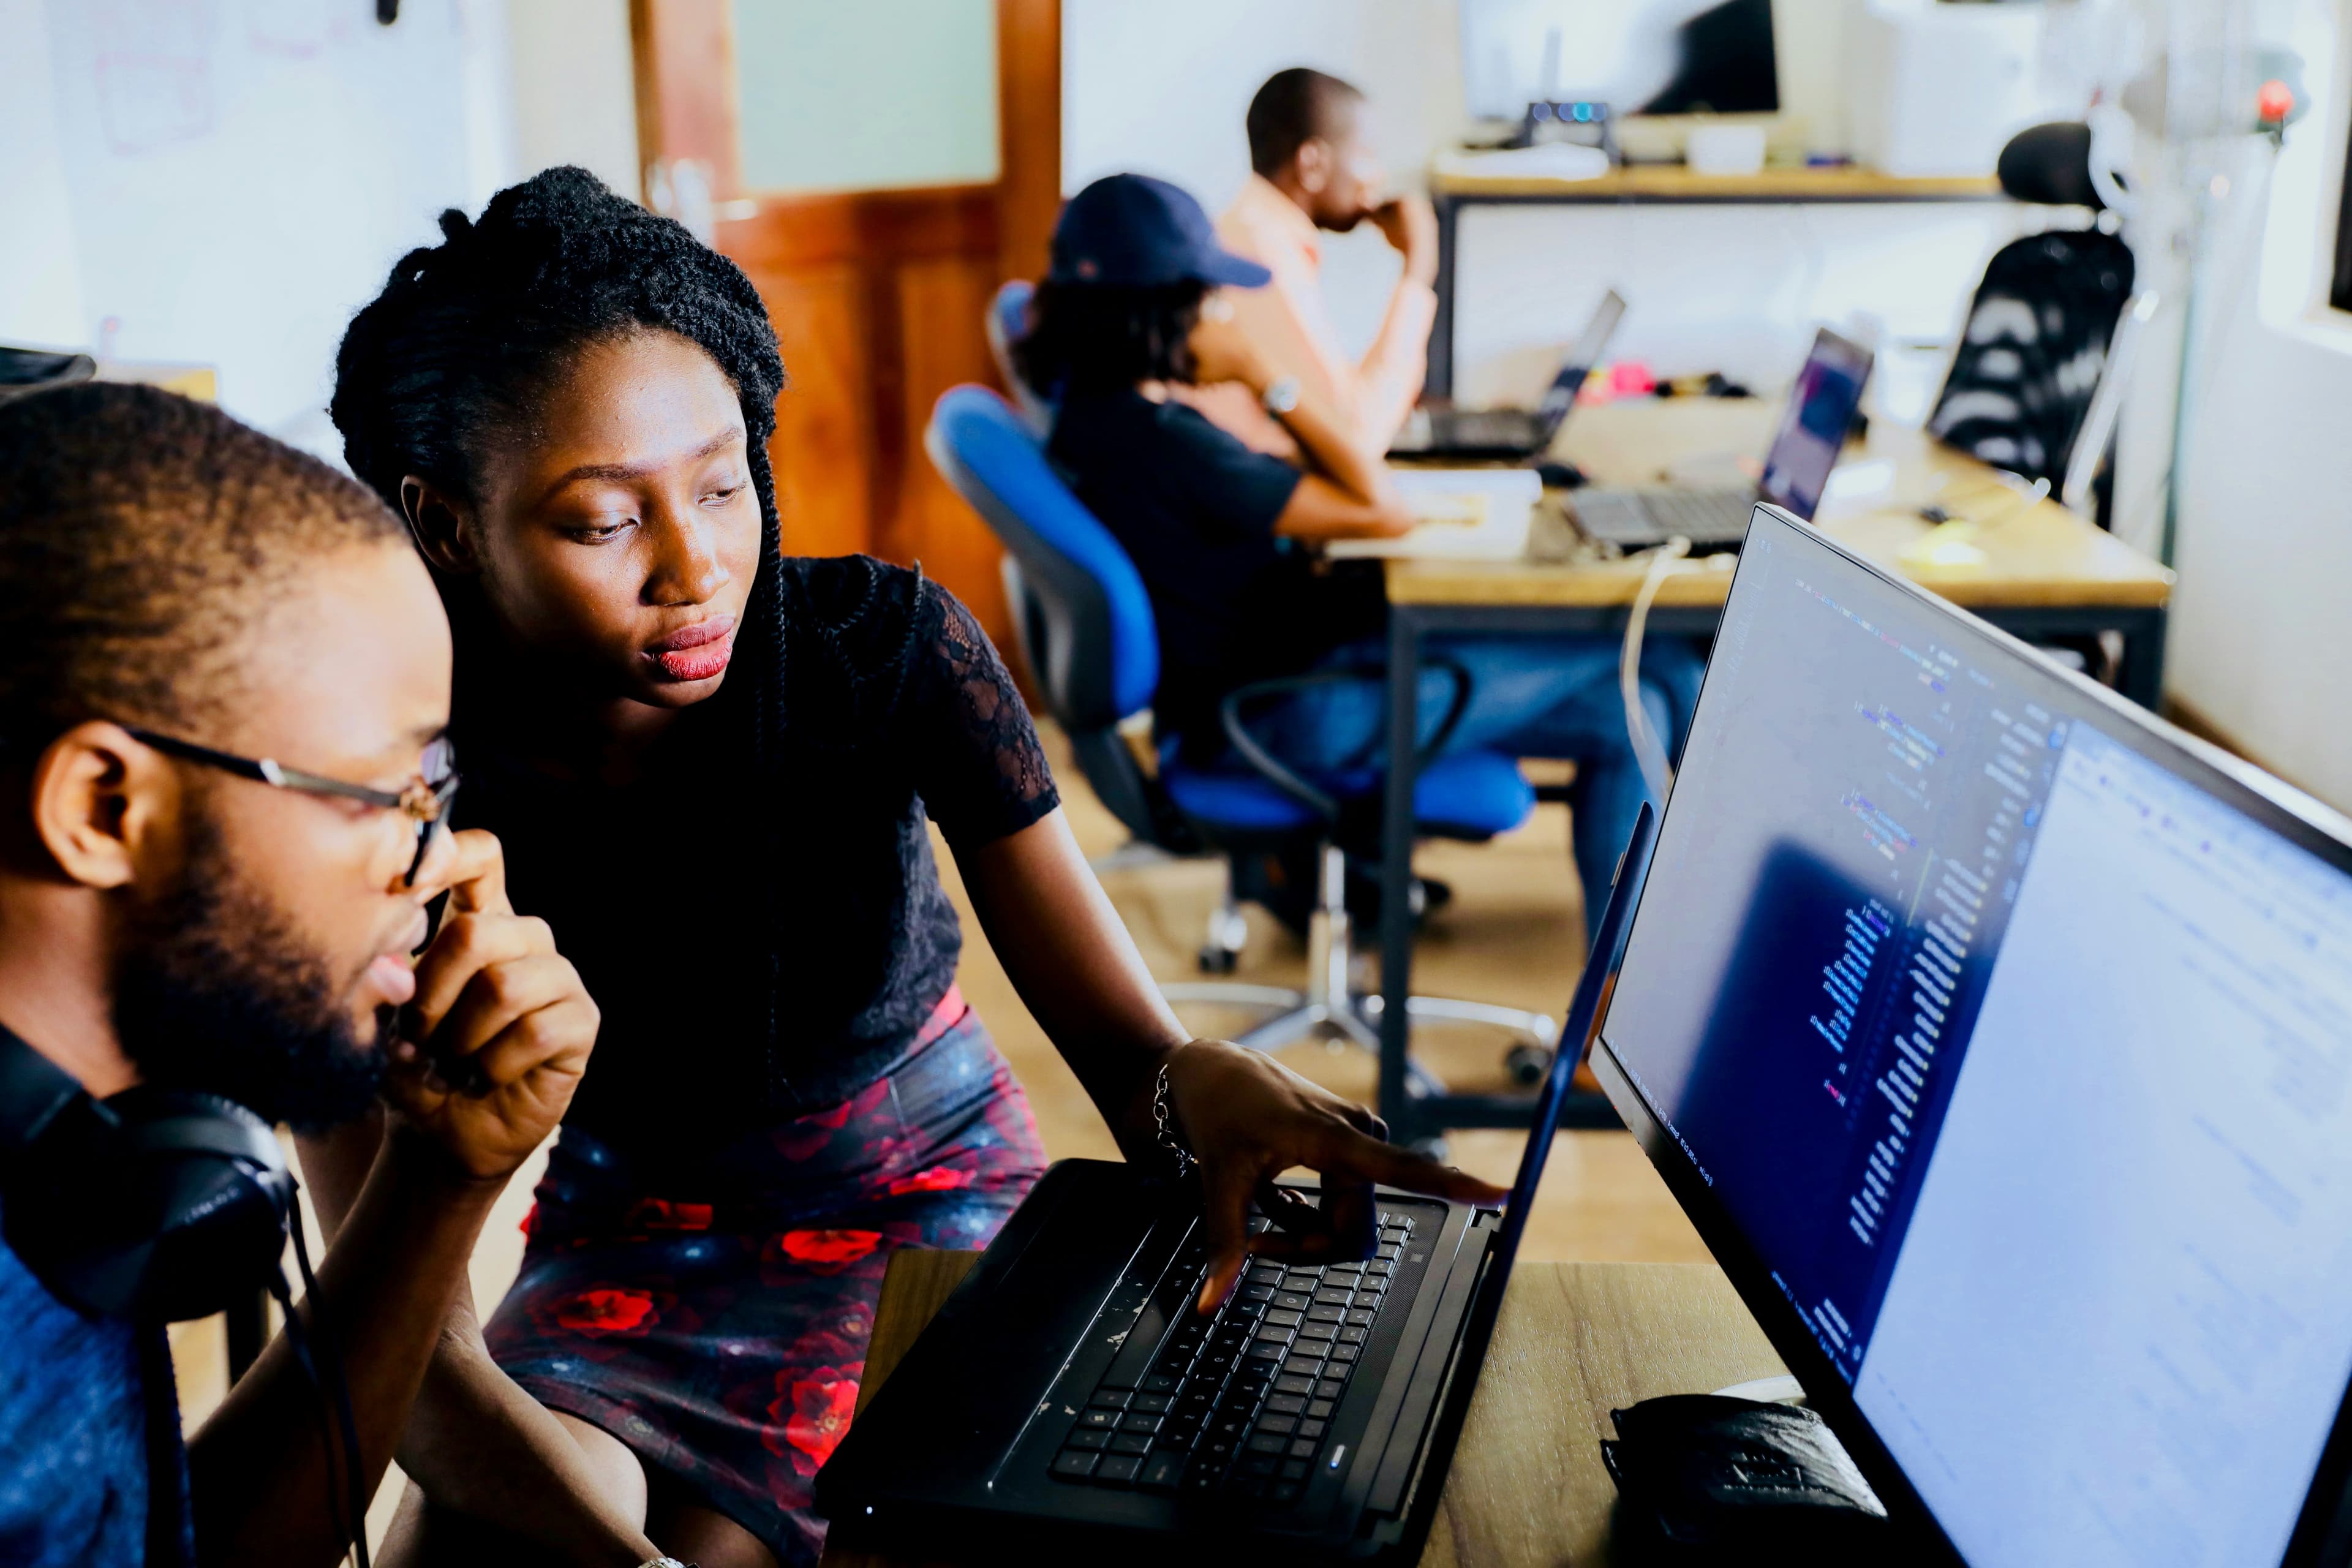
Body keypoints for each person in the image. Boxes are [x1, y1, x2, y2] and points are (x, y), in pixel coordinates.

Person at [317, 166, 1504, 1568]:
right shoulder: (383, 794)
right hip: (630, 1247)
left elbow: (1132, 1055)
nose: (698, 565)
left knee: (822, 1530)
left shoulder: (882, 653)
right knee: (464, 1546)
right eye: (605, 520)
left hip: (926, 1203)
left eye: (720, 482)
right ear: (447, 522)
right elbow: (396, 1344)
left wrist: (1201, 1086)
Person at [0, 383, 600, 1567]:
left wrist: (438, 1180)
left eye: (442, 783)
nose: (449, 861)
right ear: (105, 809)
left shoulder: (90, 1155)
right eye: (392, 794)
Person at [1017, 174, 1704, 928]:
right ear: (1161, 309)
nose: (1223, 312)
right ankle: (1633, 985)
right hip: (1291, 716)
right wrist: (1263, 375)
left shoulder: (1090, 419)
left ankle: (1607, 1001)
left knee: (1629, 706)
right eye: (1208, 296)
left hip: (1260, 695)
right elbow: (1379, 506)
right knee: (1658, 665)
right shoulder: (1169, 446)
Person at [1182, 66, 1438, 459]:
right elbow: (1354, 439)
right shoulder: (1260, 254)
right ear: (1312, 165)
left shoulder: (1259, 233)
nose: (1379, 177)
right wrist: (1418, 273)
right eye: (1367, 155)